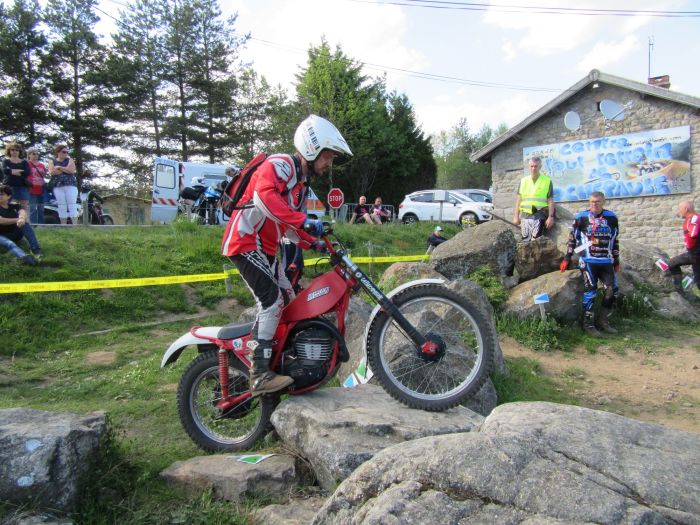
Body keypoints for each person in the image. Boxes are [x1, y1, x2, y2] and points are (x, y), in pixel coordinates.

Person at [221, 114, 352, 397]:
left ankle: (283, 360)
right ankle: (259, 373)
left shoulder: (300, 187)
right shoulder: (280, 164)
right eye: (327, 155)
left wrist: (313, 243)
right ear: (311, 148)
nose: (329, 163)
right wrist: (304, 221)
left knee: (291, 302)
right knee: (271, 302)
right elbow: (264, 197)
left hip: (266, 249)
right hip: (245, 243)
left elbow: (289, 227)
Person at [560, 191, 620, 337]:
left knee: (611, 291)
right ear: (589, 202)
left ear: (603, 202)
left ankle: (603, 320)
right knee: (591, 291)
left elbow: (615, 240)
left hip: (606, 261)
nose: (594, 204)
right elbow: (572, 239)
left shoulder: (612, 217)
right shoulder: (581, 217)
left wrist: (616, 260)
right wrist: (567, 258)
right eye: (592, 201)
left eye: (598, 202)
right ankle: (588, 324)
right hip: (588, 260)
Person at [513, 156, 555, 242]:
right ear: (529, 167)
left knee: (536, 242)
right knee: (525, 242)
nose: (533, 168)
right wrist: (516, 216)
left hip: (539, 215)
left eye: (536, 166)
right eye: (531, 166)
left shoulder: (547, 181)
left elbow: (550, 200)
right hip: (525, 216)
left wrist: (551, 217)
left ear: (540, 167)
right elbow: (518, 200)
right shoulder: (523, 181)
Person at [0, 184, 43, 265]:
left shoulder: (15, 206)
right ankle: (24, 257)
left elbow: (22, 212)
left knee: (25, 224)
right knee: (10, 244)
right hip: (1, 235)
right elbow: (1, 221)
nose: (0, 196)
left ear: (9, 196)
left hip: (15, 233)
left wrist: (22, 218)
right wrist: (18, 219)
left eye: (2, 194)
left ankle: (36, 250)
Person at [667, 199, 699, 301]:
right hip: (692, 253)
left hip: (697, 254)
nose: (678, 211)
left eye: (679, 209)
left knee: (699, 282)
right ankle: (679, 292)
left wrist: (691, 235)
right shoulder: (689, 220)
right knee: (672, 263)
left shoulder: (694, 218)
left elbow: (694, 233)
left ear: (686, 209)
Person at [48, 144, 78, 225]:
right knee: (62, 205)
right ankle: (63, 225)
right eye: (64, 152)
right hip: (58, 186)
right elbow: (52, 172)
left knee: (72, 205)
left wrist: (59, 167)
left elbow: (71, 171)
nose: (66, 153)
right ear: (58, 152)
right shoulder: (52, 161)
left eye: (67, 152)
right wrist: (65, 169)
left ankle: (75, 225)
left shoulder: (70, 160)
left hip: (70, 185)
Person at [2, 142, 30, 212]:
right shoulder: (6, 161)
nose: (15, 151)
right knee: (8, 204)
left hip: (22, 186)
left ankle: (23, 218)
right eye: (12, 150)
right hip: (9, 185)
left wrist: (12, 171)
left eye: (17, 150)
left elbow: (27, 173)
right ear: (9, 151)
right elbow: (5, 171)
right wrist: (19, 171)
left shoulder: (24, 162)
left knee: (24, 205)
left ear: (19, 151)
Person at [27, 148, 47, 224]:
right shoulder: (27, 164)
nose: (35, 155)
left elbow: (44, 174)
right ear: (29, 155)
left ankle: (42, 225)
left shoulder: (42, 165)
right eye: (33, 154)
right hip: (31, 189)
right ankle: (33, 224)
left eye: (37, 154)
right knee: (33, 208)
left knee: (41, 208)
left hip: (41, 189)